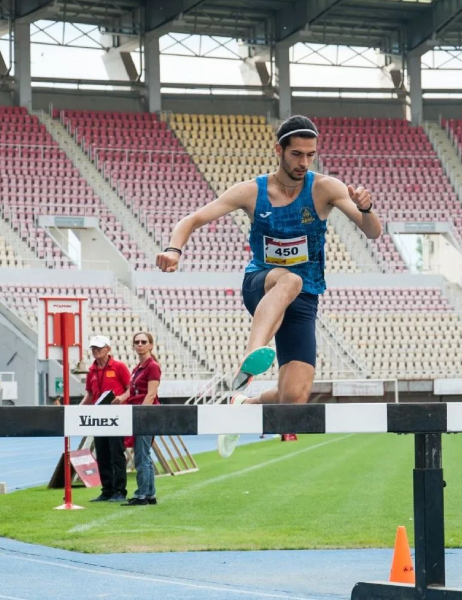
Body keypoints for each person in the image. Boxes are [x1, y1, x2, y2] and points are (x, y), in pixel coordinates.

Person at [156, 115, 382, 457]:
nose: (304, 162)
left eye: (310, 154)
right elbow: (192, 219)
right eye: (296, 154)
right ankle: (249, 362)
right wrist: (174, 250)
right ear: (279, 150)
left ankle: (243, 406)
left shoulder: (325, 188)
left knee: (293, 401)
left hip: (304, 299)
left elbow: (373, 231)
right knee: (289, 277)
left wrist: (367, 208)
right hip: (261, 284)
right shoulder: (252, 191)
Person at [80, 335, 131, 503]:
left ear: (107, 349)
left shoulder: (119, 367)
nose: (95, 351)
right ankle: (107, 490)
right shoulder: (91, 370)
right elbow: (89, 394)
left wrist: (122, 398)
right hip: (98, 418)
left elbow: (130, 388)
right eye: (93, 348)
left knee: (116, 454)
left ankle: (120, 491)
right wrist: (78, 410)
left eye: (99, 348)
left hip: (116, 417)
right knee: (102, 454)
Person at [114, 332, 161, 506]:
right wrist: (119, 399)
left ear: (150, 345)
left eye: (143, 342)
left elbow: (151, 394)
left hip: (145, 414)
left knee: (142, 455)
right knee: (143, 454)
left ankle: (142, 494)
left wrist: (141, 415)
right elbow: (130, 391)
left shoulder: (152, 366)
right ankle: (149, 494)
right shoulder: (137, 368)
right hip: (138, 412)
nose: (140, 344)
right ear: (133, 346)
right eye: (137, 342)